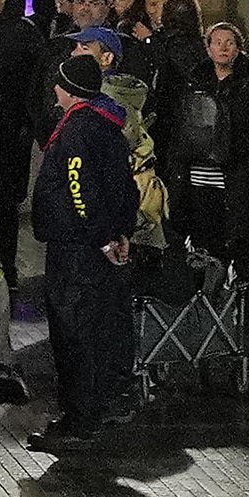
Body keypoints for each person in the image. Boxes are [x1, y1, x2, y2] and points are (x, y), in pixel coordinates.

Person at [29, 50, 144, 443]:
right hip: (101, 243)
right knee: (107, 325)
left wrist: (100, 236)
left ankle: (80, 418)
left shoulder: (78, 129)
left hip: (78, 247)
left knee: (75, 332)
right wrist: (120, 232)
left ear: (66, 89)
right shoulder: (108, 124)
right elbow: (125, 187)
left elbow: (80, 191)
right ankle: (112, 400)